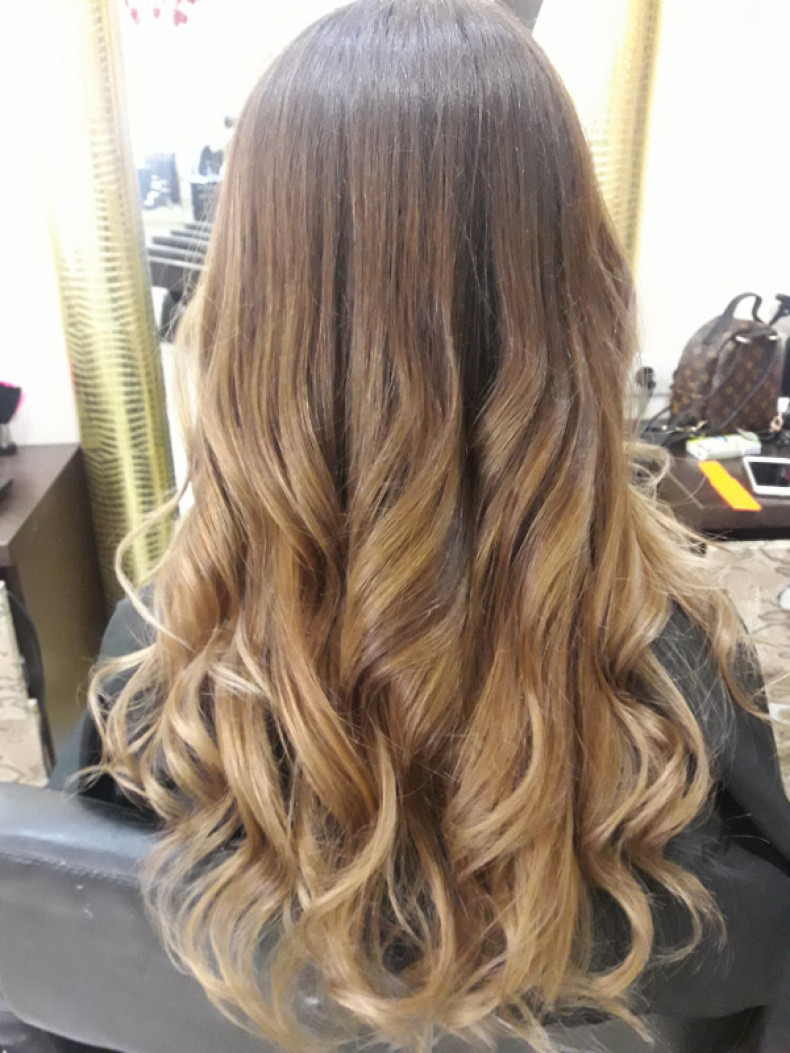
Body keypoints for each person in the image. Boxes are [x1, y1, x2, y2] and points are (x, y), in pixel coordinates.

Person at [78, 1, 790, 1050]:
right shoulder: (679, 677)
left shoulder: (154, 669)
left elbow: (84, 962)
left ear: (247, 312)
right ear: (578, 298)